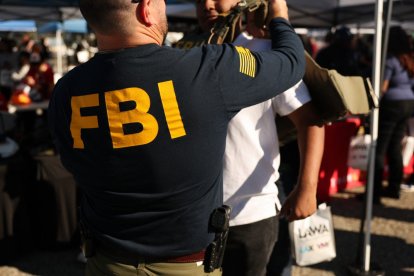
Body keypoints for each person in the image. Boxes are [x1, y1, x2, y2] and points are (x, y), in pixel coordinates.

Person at [47, 0, 306, 275]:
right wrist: (279, 14)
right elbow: (291, 61)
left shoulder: (66, 91)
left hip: (105, 263)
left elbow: (72, 162)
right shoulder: (208, 69)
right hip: (186, 266)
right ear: (146, 9)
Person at [195, 1, 324, 275]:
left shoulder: (264, 53)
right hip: (191, 218)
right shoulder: (186, 56)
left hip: (249, 213)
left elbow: (310, 121)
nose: (207, 4)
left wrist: (307, 187)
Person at [373, 26, 414, 203]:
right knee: (395, 147)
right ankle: (394, 187)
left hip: (392, 105)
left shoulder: (390, 59)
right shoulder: (408, 59)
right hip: (408, 104)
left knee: (380, 148)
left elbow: (382, 87)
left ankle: (373, 193)